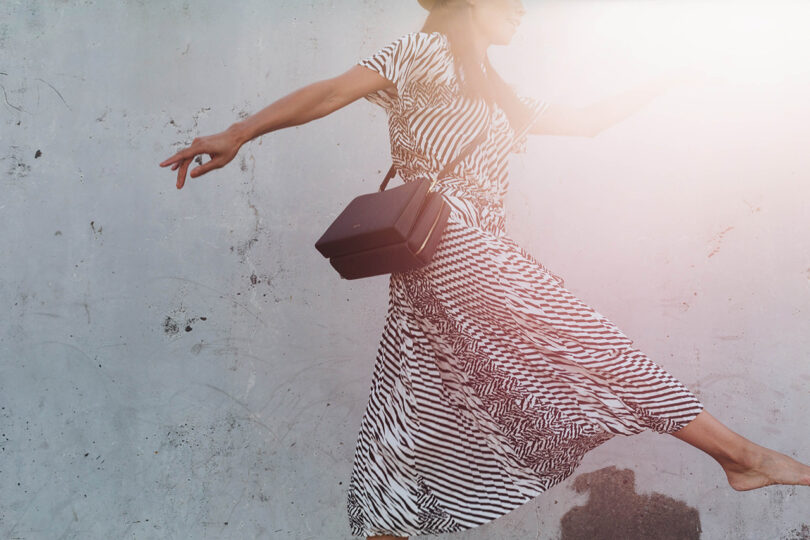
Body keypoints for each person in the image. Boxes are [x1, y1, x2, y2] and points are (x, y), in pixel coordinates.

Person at [159, 0, 810, 538]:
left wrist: (667, 79)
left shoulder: (496, 89)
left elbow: (584, 122)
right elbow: (329, 91)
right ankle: (741, 455)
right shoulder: (417, 54)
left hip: (430, 259)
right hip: (450, 238)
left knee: (404, 409)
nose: (523, 10)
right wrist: (240, 132)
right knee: (582, 343)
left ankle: (388, 529)